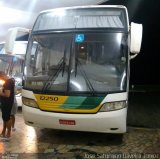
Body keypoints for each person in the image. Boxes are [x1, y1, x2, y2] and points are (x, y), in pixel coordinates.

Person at [0, 71, 15, 140]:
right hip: (6, 103)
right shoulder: (10, 81)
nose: (1, 79)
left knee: (7, 118)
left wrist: (0, 92)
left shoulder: (8, 83)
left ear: (2, 75)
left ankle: (8, 133)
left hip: (7, 103)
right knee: (4, 118)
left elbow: (7, 95)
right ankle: (3, 131)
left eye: (0, 77)